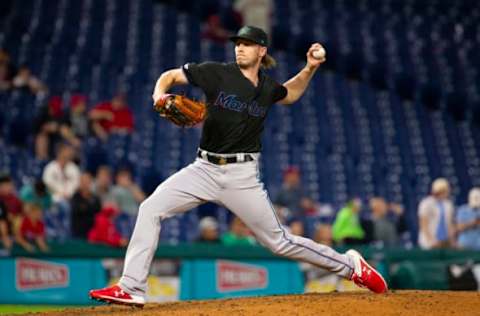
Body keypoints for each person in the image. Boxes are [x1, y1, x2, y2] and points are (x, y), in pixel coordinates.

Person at [89, 25, 387, 306]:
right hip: (203, 168)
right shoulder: (215, 73)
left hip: (242, 176)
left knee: (279, 242)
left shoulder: (267, 89)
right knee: (149, 208)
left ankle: (351, 267)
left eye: (247, 44)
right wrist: (159, 94)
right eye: (238, 44)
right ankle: (131, 287)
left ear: (261, 51)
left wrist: (310, 68)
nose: (240, 48)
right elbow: (170, 75)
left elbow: (290, 93)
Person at [418, 178, 456, 249]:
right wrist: (431, 240)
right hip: (429, 242)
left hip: (445, 241)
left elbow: (450, 225)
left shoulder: (448, 204)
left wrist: (452, 241)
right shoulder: (426, 203)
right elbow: (423, 225)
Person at [71, 172, 101, 239]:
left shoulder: (95, 198)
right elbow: (78, 210)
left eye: (87, 181)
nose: (85, 184)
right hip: (78, 233)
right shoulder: (76, 197)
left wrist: (86, 207)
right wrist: (90, 208)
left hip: (93, 232)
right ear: (80, 182)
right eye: (83, 181)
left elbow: (98, 211)